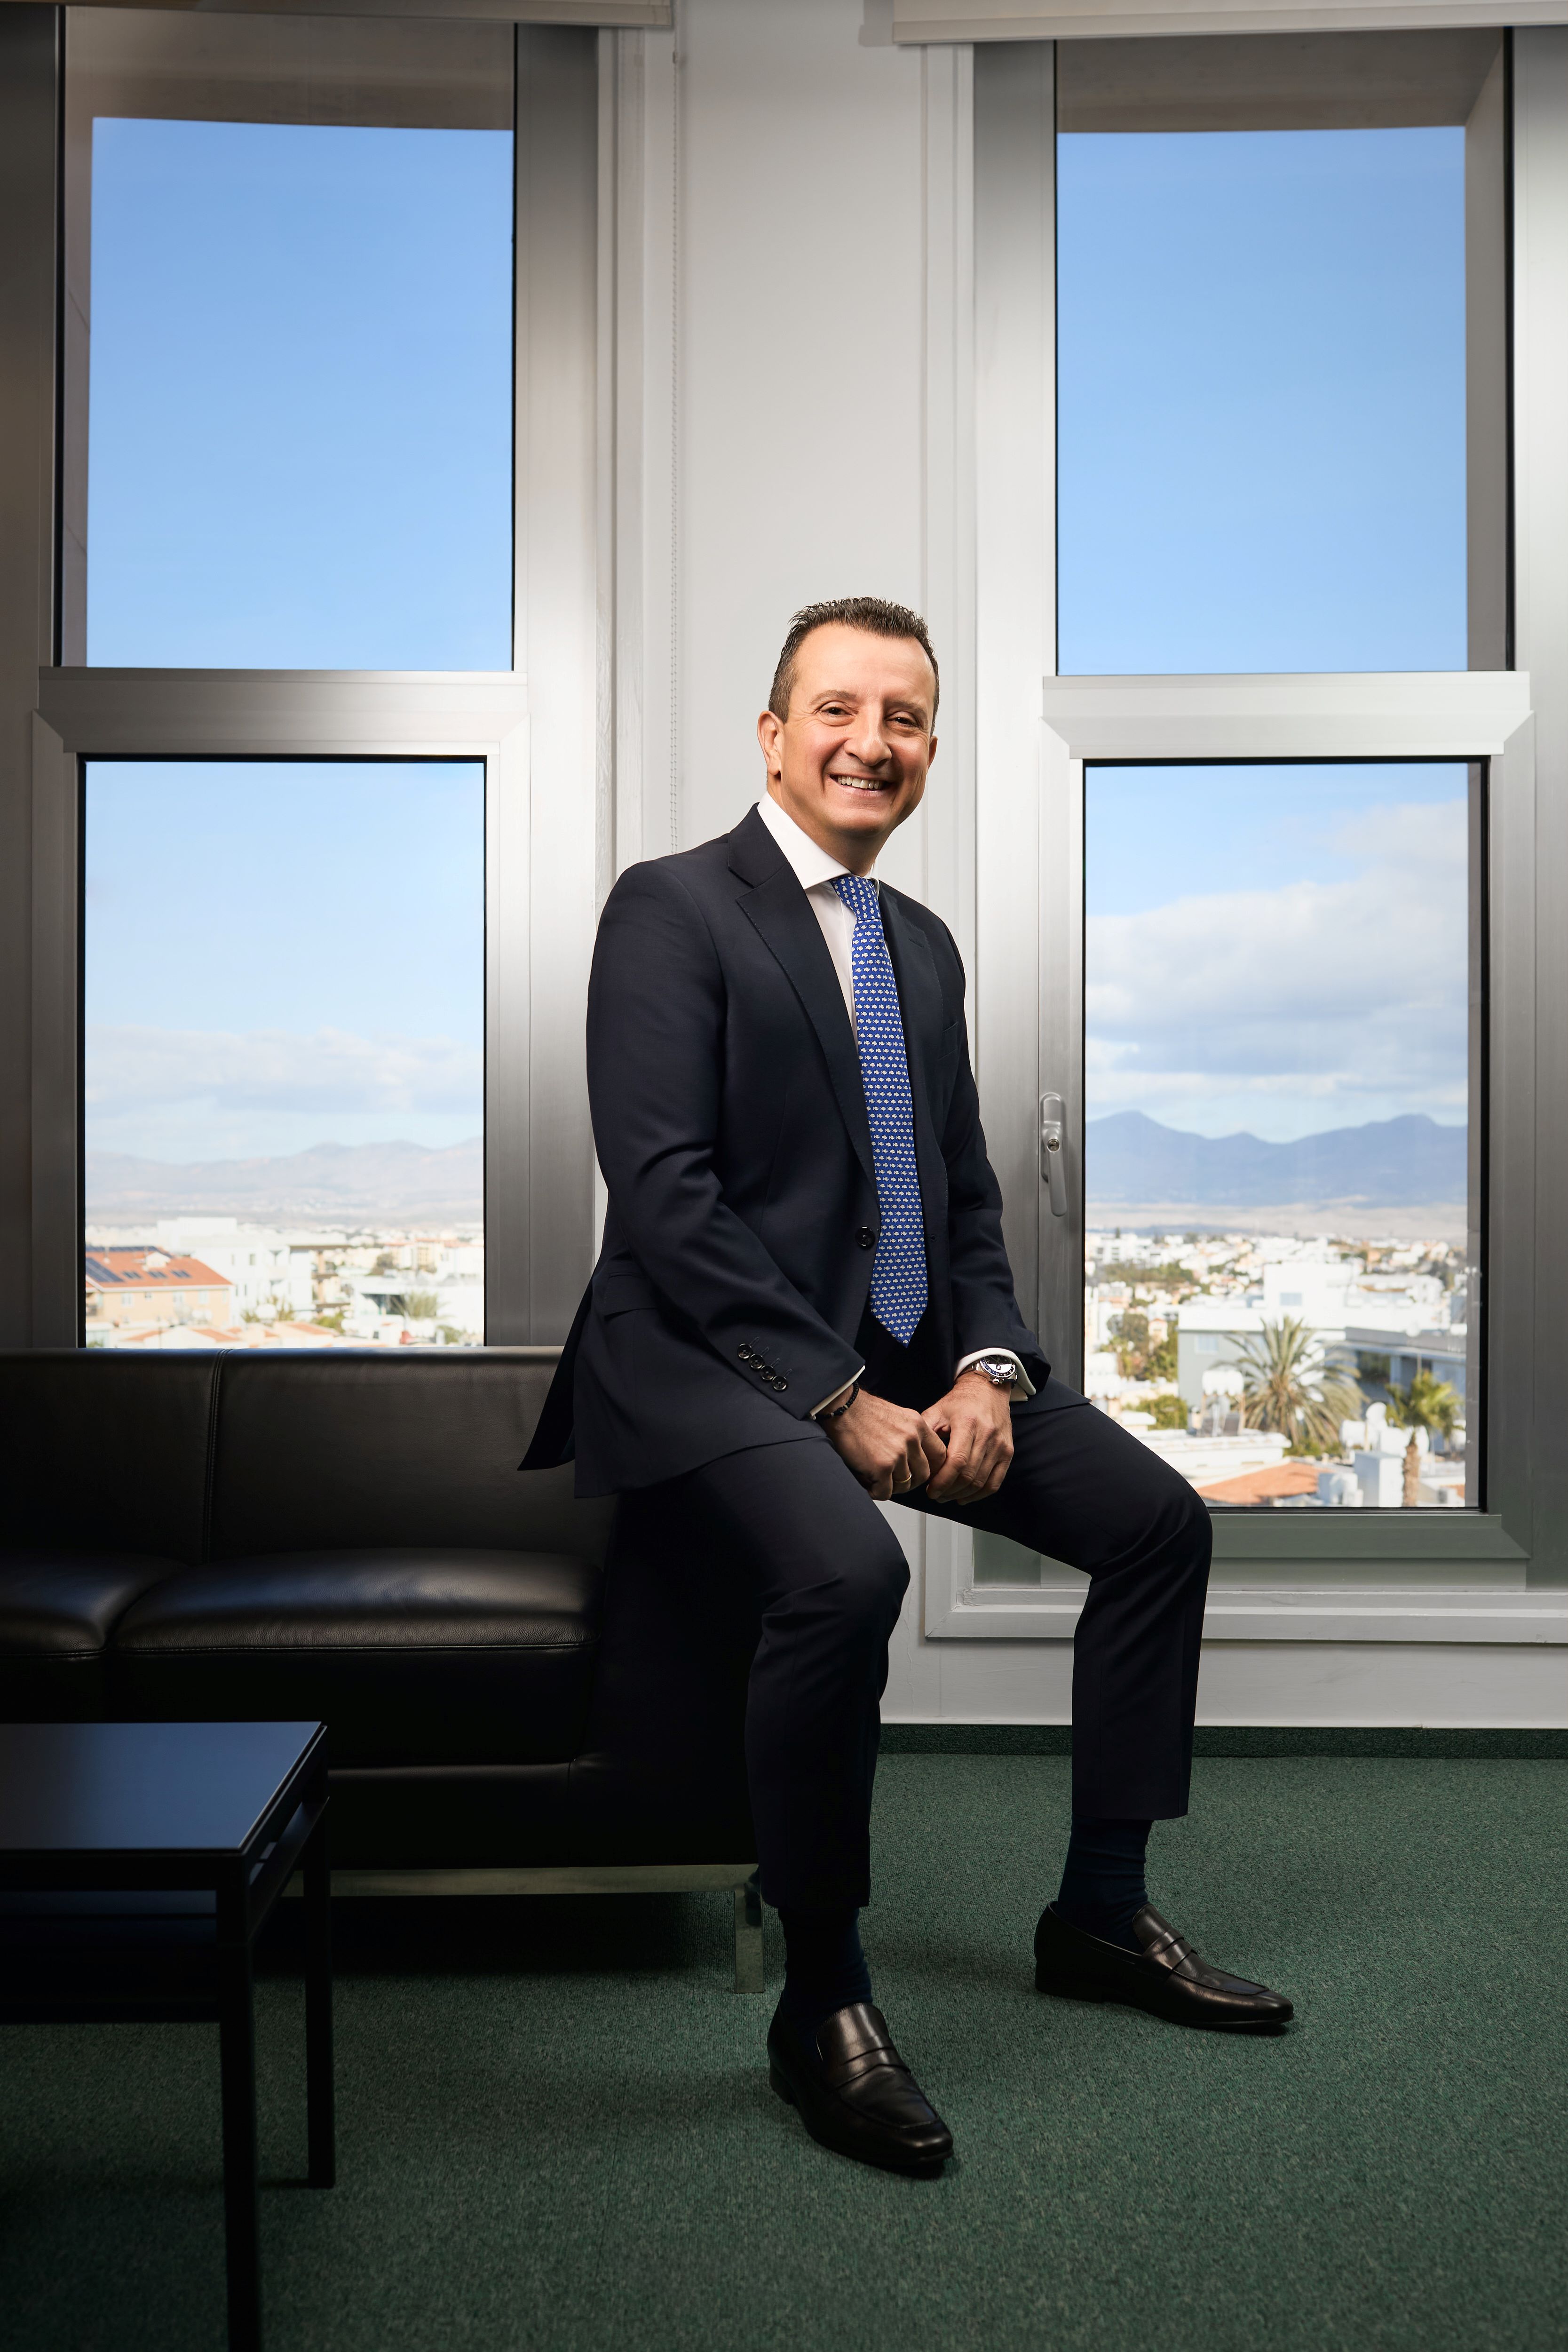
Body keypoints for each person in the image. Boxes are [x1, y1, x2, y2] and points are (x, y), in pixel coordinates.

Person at [524, 595, 1291, 2179]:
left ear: (931, 747)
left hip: (901, 1351)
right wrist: (829, 1394)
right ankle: (822, 1999)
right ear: (773, 734)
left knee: (1158, 1525)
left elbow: (961, 1193)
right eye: (840, 709)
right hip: (703, 1356)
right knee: (844, 1576)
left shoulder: (919, 946)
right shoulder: (672, 908)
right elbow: (664, 1195)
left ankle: (1100, 1909)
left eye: (908, 718)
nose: (873, 742)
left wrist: (990, 1367)